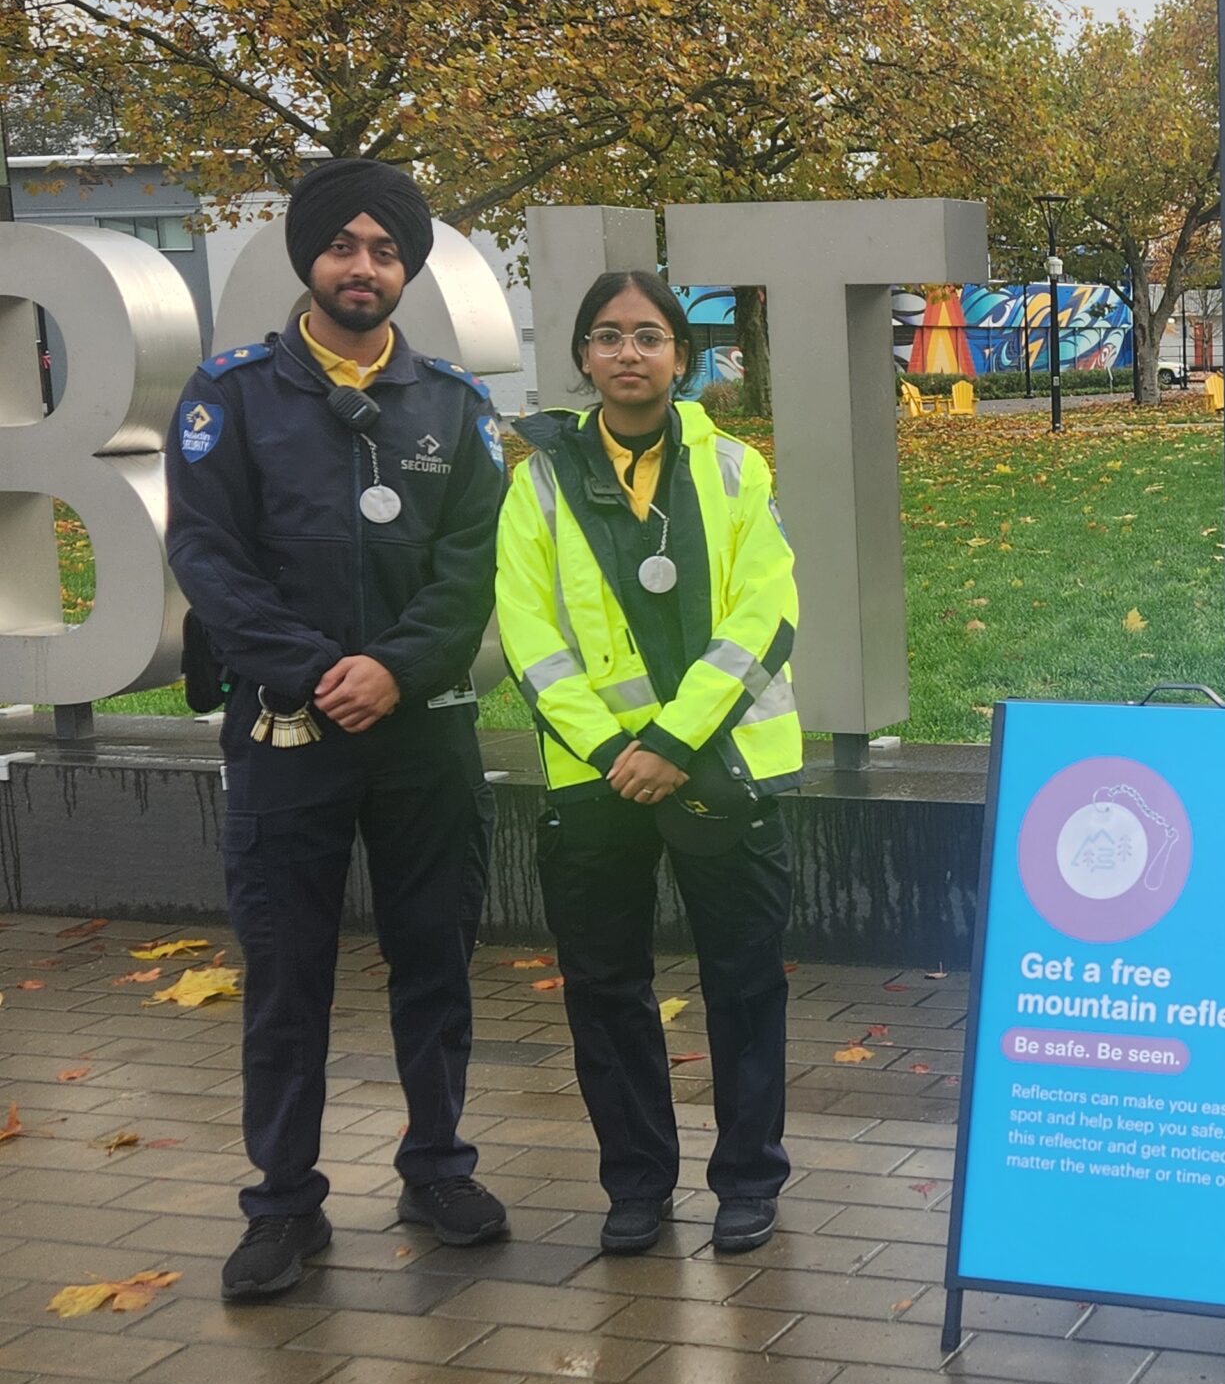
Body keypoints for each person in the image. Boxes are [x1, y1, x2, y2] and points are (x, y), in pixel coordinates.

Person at [165, 157, 509, 1299]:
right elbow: (208, 560)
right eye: (344, 246)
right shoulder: (231, 396)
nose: (364, 267)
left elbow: (471, 571)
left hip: (423, 735)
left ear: (408, 267)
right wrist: (321, 675)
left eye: (386, 250)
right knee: (285, 973)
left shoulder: (455, 406)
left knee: (436, 963)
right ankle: (283, 1204)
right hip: (287, 733)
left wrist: (397, 672)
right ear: (309, 258)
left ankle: (437, 1167)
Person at [495, 272, 803, 1256]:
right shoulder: (537, 481)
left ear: (681, 355)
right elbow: (528, 634)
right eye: (607, 336)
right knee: (605, 988)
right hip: (596, 783)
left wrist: (673, 743)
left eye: (649, 336)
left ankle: (748, 1179)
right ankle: (636, 1185)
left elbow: (769, 616)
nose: (629, 354)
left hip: (717, 767)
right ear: (584, 357)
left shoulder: (735, 470)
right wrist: (613, 748)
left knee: (744, 983)